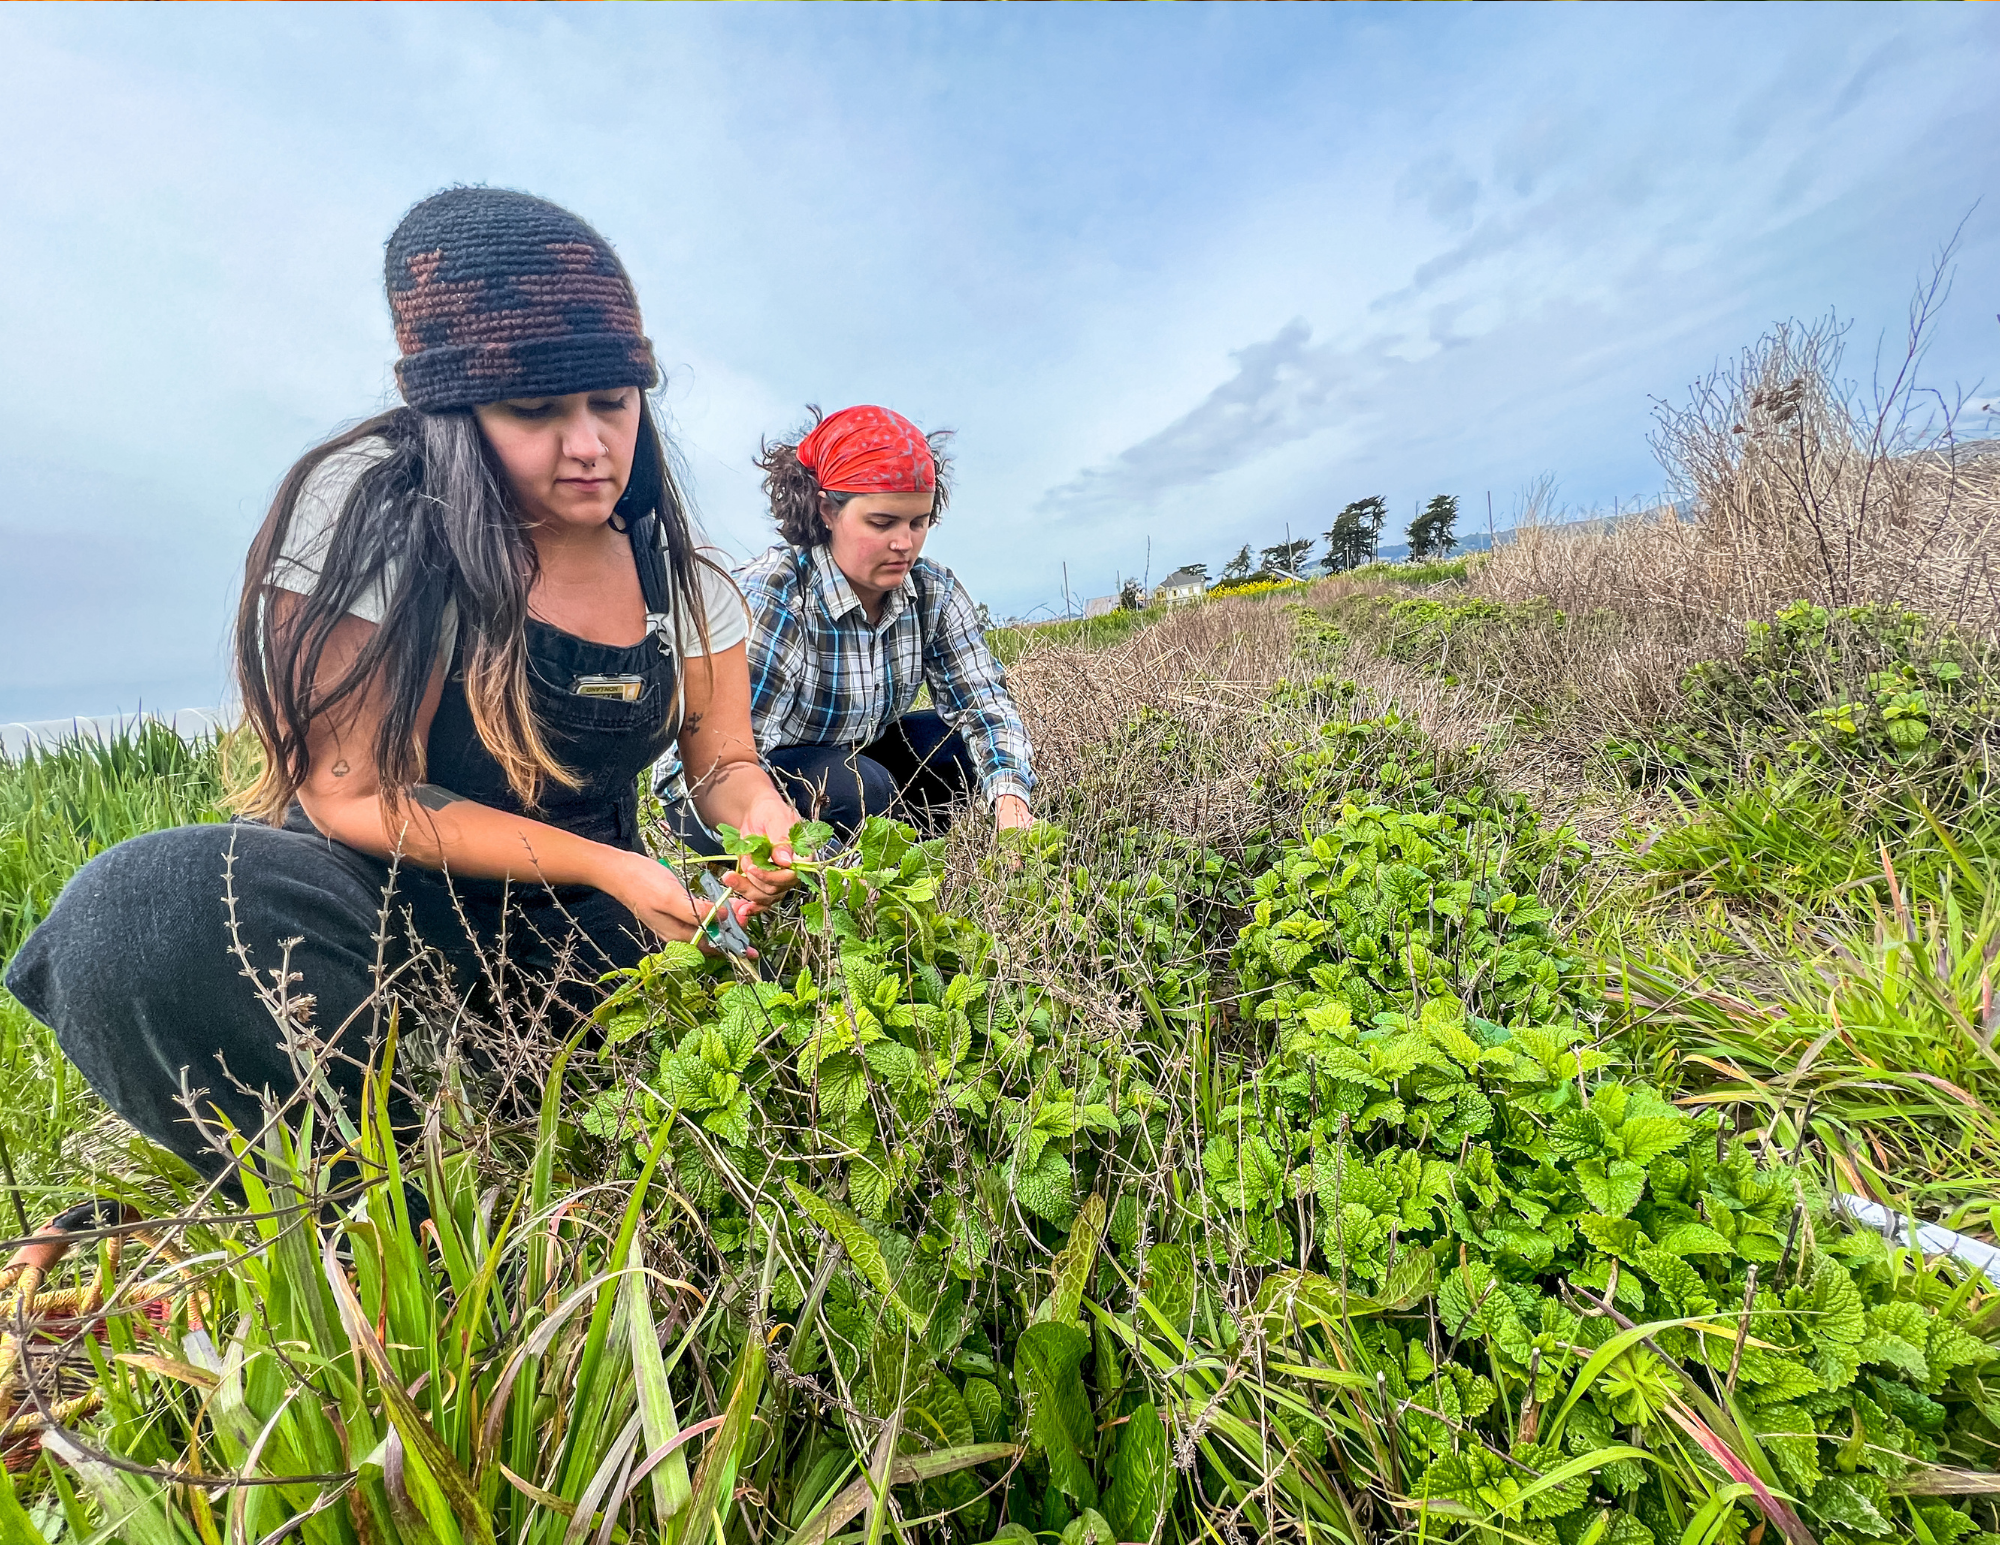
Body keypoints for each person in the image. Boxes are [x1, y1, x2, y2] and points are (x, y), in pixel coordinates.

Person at [4, 188, 802, 1180]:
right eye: (536, 411)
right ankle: (371, 1207)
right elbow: (351, 794)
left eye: (612, 401)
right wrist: (613, 868)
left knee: (706, 1076)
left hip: (565, 922)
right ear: (455, 412)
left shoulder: (680, 575)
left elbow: (723, 759)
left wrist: (763, 821)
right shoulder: (372, 516)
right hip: (372, 900)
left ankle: (500, 1139)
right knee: (136, 913)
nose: (590, 444)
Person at [662, 405, 1034, 851]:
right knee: (860, 788)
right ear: (827, 511)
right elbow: (724, 761)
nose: (904, 543)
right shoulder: (778, 597)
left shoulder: (932, 591)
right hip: (720, 787)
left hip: (845, 761)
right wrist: (772, 838)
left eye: (919, 523)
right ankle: (824, 877)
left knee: (951, 748)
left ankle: (887, 854)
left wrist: (1010, 799)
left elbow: (984, 704)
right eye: (882, 523)